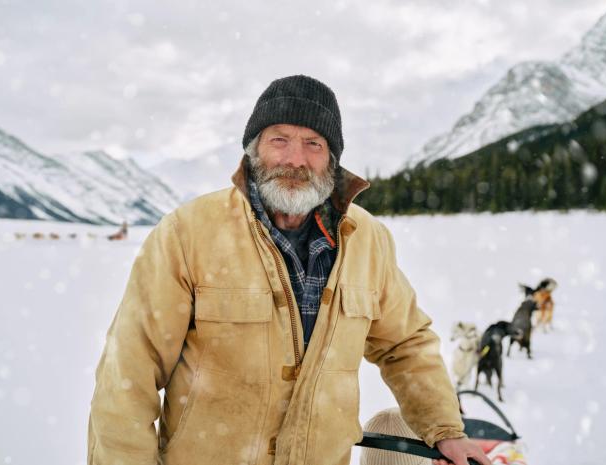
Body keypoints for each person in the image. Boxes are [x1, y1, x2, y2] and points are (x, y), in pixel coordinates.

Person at [87, 75, 490, 465]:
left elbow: (405, 344)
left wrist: (445, 430)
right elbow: (129, 373)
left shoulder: (367, 239)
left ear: (332, 160)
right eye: (279, 140)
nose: (295, 159)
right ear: (253, 149)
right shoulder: (189, 233)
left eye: (313, 144)